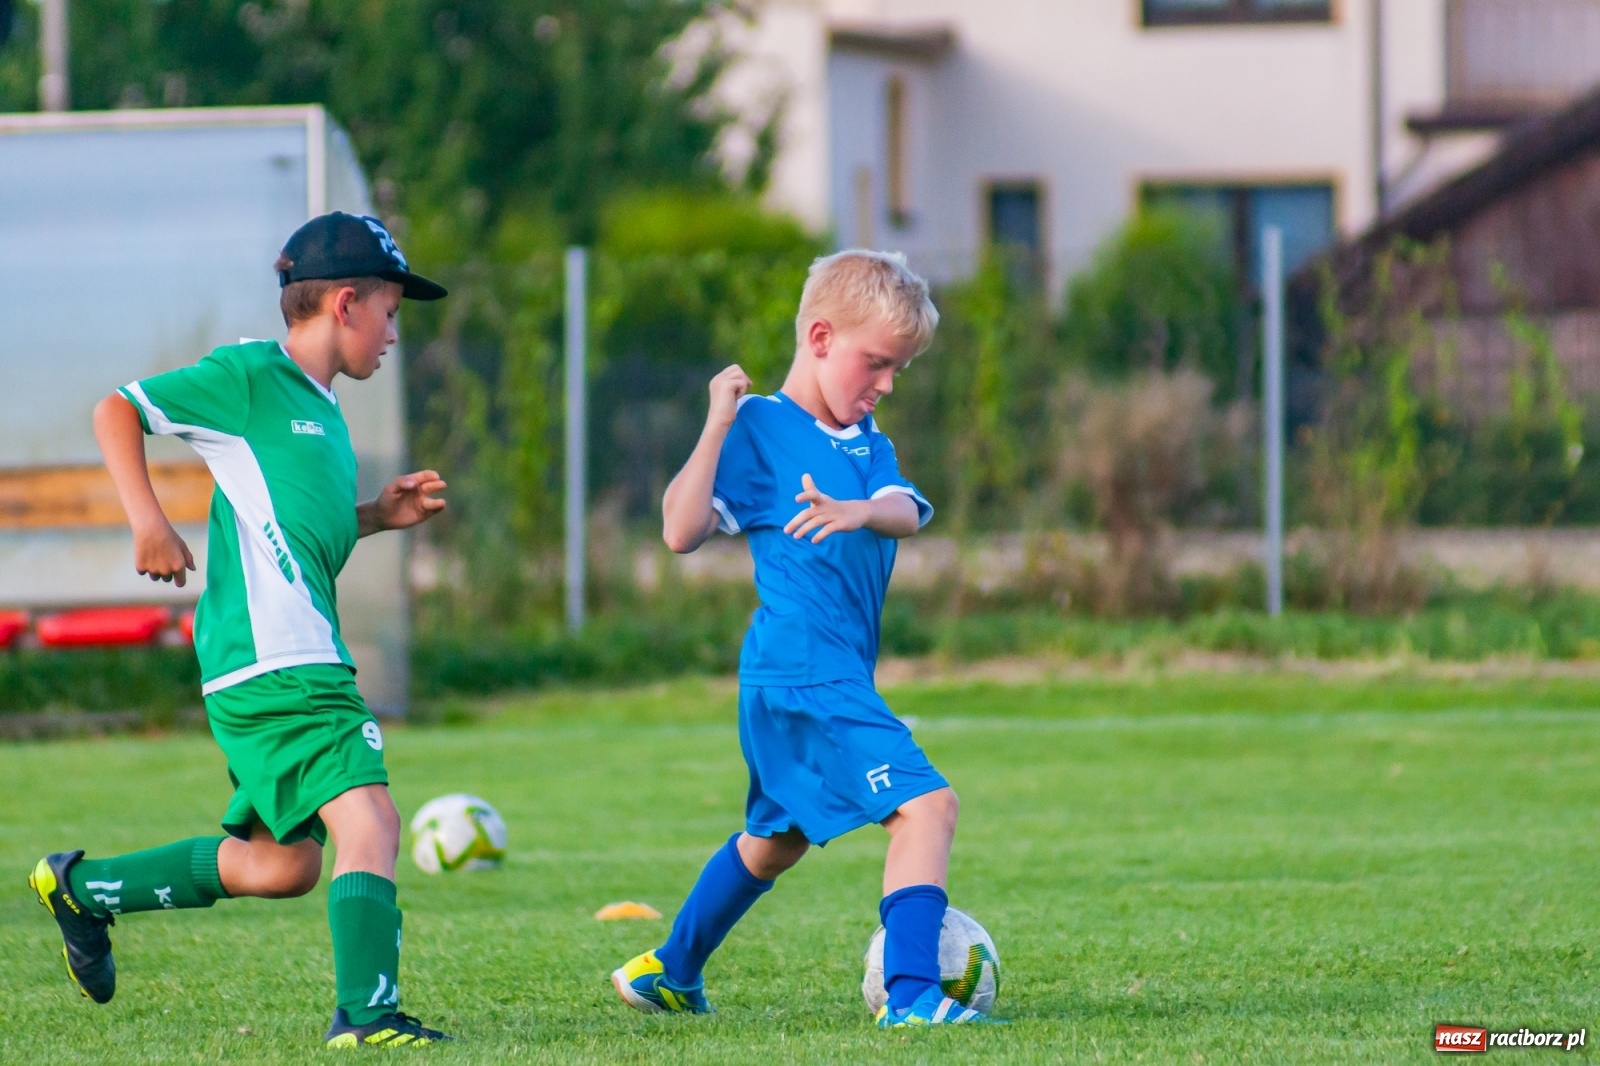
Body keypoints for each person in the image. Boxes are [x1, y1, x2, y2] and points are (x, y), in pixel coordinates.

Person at [31, 212, 453, 1048]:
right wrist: (147, 521)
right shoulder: (253, 376)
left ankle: (85, 891)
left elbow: (288, 529)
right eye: (392, 312)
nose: (395, 333)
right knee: (369, 819)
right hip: (280, 658)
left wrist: (373, 515)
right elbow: (116, 409)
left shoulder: (322, 409)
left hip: (270, 657)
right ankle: (366, 1018)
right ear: (343, 303)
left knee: (282, 865)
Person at [611, 250, 983, 1027]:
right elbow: (681, 532)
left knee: (773, 838)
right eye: (876, 363)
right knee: (929, 808)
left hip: (810, 673)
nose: (884, 384)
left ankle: (669, 970)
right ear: (819, 337)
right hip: (805, 669)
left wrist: (858, 512)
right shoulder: (757, 428)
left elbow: (907, 510)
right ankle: (914, 997)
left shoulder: (865, 440)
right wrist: (717, 422)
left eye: (897, 371)